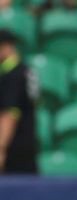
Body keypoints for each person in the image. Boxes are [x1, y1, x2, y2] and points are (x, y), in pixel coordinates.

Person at [0, 29, 37, 174]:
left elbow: (10, 115)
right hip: (28, 146)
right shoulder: (26, 70)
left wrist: (1, 148)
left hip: (14, 151)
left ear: (6, 46)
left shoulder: (12, 75)